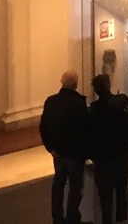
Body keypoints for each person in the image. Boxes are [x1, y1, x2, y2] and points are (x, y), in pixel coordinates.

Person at [87, 71, 128, 224]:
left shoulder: (93, 110)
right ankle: (122, 220)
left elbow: (89, 134)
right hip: (122, 155)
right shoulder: (122, 100)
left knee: (105, 198)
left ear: (96, 90)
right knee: (122, 193)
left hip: (103, 160)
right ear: (109, 85)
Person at [38, 72, 87, 224]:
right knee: (75, 186)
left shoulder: (51, 101)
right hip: (74, 154)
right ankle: (72, 217)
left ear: (62, 82)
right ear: (75, 84)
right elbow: (84, 130)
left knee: (58, 184)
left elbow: (43, 127)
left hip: (58, 152)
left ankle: (57, 217)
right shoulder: (79, 103)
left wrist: (50, 148)